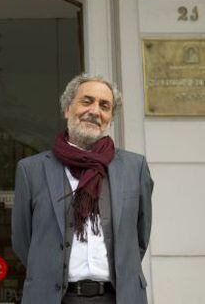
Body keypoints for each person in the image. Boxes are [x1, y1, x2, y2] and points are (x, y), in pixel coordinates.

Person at [11, 73, 153, 304]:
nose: (95, 111)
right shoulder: (31, 170)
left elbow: (139, 237)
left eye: (104, 106)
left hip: (118, 297)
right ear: (68, 109)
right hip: (54, 297)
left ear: (109, 118)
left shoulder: (134, 168)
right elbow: (22, 240)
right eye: (87, 101)